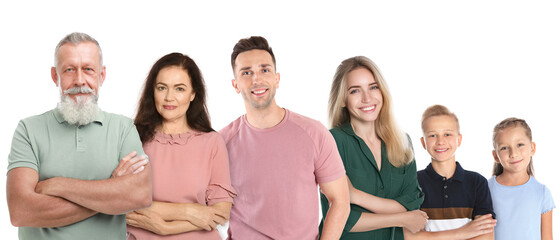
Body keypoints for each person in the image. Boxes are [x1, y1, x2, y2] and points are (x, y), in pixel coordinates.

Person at [6, 32, 152, 240]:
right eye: (69, 70)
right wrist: (111, 191)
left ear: (101, 75)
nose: (79, 80)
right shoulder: (28, 129)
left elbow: (140, 195)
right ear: (55, 75)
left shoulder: (123, 128)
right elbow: (21, 211)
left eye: (88, 69)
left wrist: (58, 185)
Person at [219, 36, 350, 240]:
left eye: (265, 70)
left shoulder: (314, 133)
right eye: (247, 72)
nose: (257, 79)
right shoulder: (221, 143)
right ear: (235, 85)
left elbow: (340, 201)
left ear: (277, 79)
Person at [126, 52, 236, 239]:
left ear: (193, 94)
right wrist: (189, 211)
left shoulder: (211, 141)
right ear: (152, 92)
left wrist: (166, 228)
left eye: (179, 89)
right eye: (162, 88)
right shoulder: (131, 138)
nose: (169, 97)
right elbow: (118, 206)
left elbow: (221, 212)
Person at [321, 56, 427, 239]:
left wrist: (354, 196)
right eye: (355, 91)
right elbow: (342, 219)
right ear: (343, 100)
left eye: (373, 87)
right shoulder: (332, 141)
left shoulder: (403, 143)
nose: (367, 98)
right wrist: (402, 219)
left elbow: (411, 203)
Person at [405, 105, 496, 239]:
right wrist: (464, 232)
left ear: (459, 139)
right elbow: (409, 236)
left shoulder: (477, 182)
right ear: (423, 143)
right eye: (432, 135)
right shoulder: (413, 181)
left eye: (447, 134)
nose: (440, 141)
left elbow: (486, 235)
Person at [488, 118, 555, 240]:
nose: (513, 153)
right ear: (495, 156)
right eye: (504, 148)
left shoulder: (542, 193)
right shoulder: (485, 190)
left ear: (532, 148)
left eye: (520, 145)